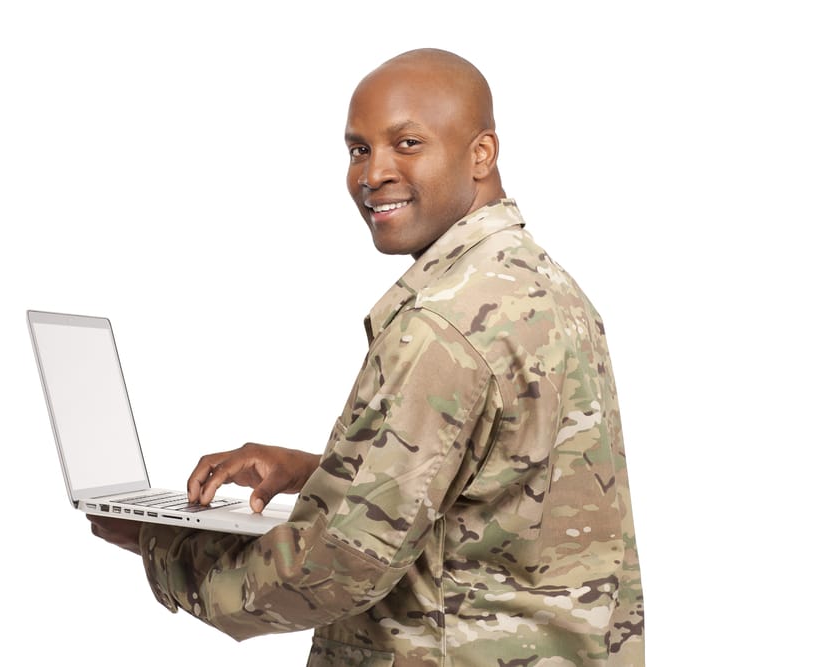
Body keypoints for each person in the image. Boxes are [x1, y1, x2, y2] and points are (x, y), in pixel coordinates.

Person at [89, 48, 645, 666]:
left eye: (407, 143)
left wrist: (162, 546)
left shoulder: (443, 326)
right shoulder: (547, 287)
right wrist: (318, 472)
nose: (372, 173)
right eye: (359, 149)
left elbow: (333, 569)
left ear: (481, 154)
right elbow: (500, 486)